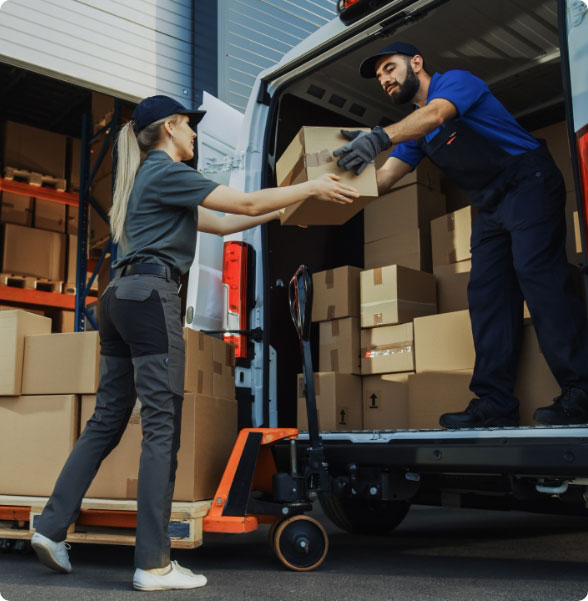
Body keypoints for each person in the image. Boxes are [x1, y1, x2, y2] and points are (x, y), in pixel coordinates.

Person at [31, 95, 359, 591]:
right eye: (189, 127)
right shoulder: (165, 171)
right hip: (149, 299)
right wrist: (311, 184)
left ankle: (51, 527)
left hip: (119, 297)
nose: (195, 136)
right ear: (169, 128)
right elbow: (243, 202)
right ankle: (153, 564)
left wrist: (288, 205)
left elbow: (228, 222)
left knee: (107, 419)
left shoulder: (148, 181)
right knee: (161, 427)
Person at [333, 41, 588, 429]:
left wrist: (381, 137)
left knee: (538, 276)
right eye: (380, 76)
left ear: (416, 62)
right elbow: (384, 179)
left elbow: (437, 115)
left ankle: (580, 391)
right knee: (486, 295)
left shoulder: (454, 84)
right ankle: (495, 402)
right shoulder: (414, 130)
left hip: (528, 182)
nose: (384, 79)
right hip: (490, 206)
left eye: (389, 68)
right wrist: (323, 199)